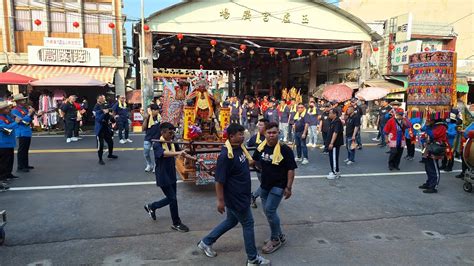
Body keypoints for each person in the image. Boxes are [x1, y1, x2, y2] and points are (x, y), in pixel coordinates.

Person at [197, 123, 270, 266]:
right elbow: (219, 181)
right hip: (236, 198)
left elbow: (244, 165)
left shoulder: (239, 149)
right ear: (231, 137)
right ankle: (253, 258)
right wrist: (220, 201)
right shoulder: (226, 156)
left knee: (231, 221)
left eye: (243, 134)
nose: (243, 136)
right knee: (248, 224)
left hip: (242, 194)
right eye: (240, 134)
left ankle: (206, 242)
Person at [252, 122, 297, 254]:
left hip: (279, 185)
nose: (271, 135)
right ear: (264, 134)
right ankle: (280, 235)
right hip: (265, 185)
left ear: (278, 133)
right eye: (269, 133)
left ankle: (275, 239)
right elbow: (254, 161)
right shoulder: (261, 147)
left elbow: (291, 170)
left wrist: (288, 187)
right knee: (268, 212)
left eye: (274, 133)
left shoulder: (285, 149)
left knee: (270, 211)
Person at [144, 122, 192, 232]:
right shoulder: (157, 144)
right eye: (170, 133)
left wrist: (193, 158)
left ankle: (152, 206)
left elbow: (181, 153)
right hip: (162, 175)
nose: (172, 135)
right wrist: (179, 153)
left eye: (173, 133)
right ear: (163, 132)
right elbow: (164, 154)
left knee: (172, 198)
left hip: (171, 173)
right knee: (172, 199)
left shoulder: (172, 142)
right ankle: (176, 223)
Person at [419, 119, 448, 193]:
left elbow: (433, 135)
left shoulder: (441, 126)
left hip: (436, 148)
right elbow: (424, 131)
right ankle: (429, 183)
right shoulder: (433, 126)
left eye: (430, 118)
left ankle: (433, 186)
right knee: (428, 167)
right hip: (429, 147)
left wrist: (427, 126)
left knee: (434, 167)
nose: (428, 120)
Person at [11, 93, 37, 173]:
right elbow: (23, 121)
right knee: (22, 150)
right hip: (21, 131)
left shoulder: (24, 109)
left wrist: (33, 113)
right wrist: (29, 114)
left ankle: (25, 164)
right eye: (22, 100)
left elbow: (29, 119)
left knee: (26, 149)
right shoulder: (15, 110)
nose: (24, 101)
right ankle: (20, 166)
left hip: (27, 130)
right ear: (18, 101)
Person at [0, 101, 21, 191]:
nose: (9, 109)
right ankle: (2, 177)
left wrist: (14, 118)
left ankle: (8, 174)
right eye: (7, 108)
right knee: (3, 162)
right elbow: (6, 127)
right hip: (3, 143)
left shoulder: (7, 116)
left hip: (9, 142)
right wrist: (15, 122)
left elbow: (13, 123)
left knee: (10, 160)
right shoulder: (1, 118)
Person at [247, 118, 268, 209]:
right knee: (266, 185)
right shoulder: (255, 137)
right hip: (259, 166)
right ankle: (254, 196)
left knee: (266, 185)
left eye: (260, 125)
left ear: (266, 126)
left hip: (270, 165)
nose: (258, 127)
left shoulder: (270, 136)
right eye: (258, 125)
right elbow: (248, 147)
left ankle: (256, 196)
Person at [94, 98, 118, 165]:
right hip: (100, 131)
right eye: (106, 108)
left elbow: (113, 120)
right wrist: (104, 113)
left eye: (107, 108)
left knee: (110, 142)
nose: (107, 109)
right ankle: (100, 159)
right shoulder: (98, 113)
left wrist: (112, 116)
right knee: (101, 145)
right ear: (102, 109)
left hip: (106, 130)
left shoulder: (108, 114)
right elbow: (99, 120)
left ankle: (110, 154)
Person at [142, 104, 161, 172]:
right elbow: (143, 129)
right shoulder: (147, 117)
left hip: (157, 138)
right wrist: (146, 119)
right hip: (148, 137)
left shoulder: (159, 117)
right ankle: (149, 164)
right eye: (156, 110)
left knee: (156, 153)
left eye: (157, 110)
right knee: (146, 153)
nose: (157, 111)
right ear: (152, 110)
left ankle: (156, 166)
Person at [326, 108, 344, 179]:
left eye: (330, 113)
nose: (329, 114)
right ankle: (333, 170)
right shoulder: (333, 121)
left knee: (334, 158)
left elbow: (335, 132)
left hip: (335, 144)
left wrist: (331, 143)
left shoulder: (337, 122)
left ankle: (335, 172)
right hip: (332, 143)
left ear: (334, 114)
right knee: (331, 157)